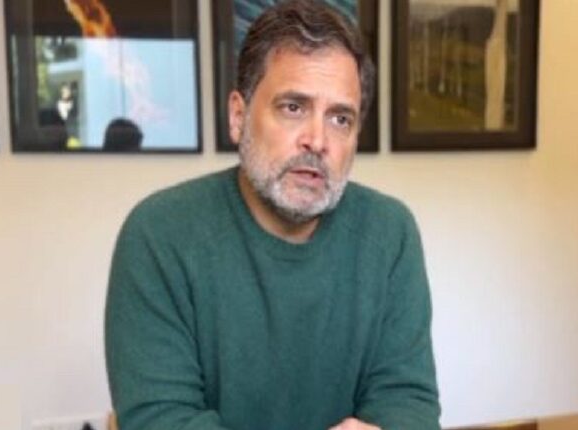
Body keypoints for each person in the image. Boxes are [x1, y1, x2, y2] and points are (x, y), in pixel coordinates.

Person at [105, 1, 440, 429]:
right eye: (293, 107)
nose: (317, 140)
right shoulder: (159, 235)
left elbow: (409, 403)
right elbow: (162, 420)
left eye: (340, 118)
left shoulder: (390, 234)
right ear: (238, 117)